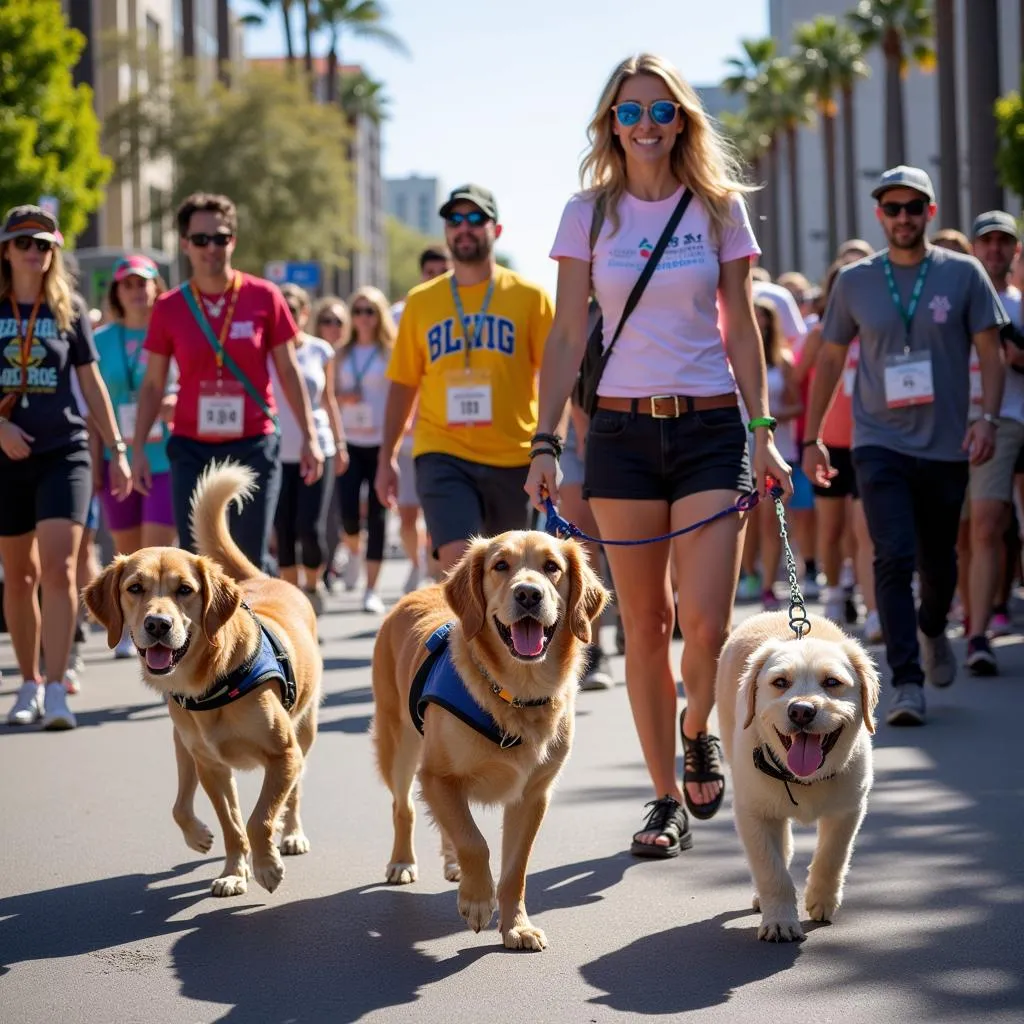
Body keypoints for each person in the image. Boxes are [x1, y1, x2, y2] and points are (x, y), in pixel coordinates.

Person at [525, 54, 791, 856]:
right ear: (611, 122)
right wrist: (546, 440)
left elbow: (740, 325)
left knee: (704, 622)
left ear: (683, 121)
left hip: (712, 428)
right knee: (646, 621)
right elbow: (569, 332)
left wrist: (763, 428)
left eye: (661, 111)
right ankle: (663, 797)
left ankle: (697, 725)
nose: (646, 125)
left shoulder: (717, 209)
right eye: (630, 112)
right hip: (619, 436)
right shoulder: (588, 215)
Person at [803, 166, 1007, 727]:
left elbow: (990, 351)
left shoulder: (963, 274)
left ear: (930, 213)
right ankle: (906, 681)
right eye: (891, 209)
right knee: (891, 554)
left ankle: (936, 625)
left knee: (938, 562)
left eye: (912, 208)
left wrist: (986, 417)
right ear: (879, 216)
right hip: (878, 440)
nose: (901, 218)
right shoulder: (856, 281)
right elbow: (828, 358)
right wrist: (814, 437)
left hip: (945, 444)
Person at [131, 193, 323, 571]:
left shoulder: (264, 296)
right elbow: (153, 384)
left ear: (232, 241)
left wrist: (310, 439)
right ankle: (205, 633)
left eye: (220, 238)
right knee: (195, 557)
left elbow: (288, 371)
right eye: (200, 239)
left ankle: (254, 630)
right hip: (191, 446)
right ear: (185, 244)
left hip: (253, 442)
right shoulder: (170, 306)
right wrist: (137, 447)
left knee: (248, 555)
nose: (211, 248)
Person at [375, 184, 554, 574]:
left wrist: (552, 447)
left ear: (497, 230)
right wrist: (386, 456)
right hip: (443, 451)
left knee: (509, 575)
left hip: (513, 455)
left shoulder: (530, 297)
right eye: (454, 220)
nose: (464, 228)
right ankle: (456, 638)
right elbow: (403, 383)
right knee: (459, 565)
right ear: (445, 232)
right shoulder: (421, 302)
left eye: (476, 218)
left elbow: (557, 377)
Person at [0, 204, 131, 730]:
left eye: (44, 245)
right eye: (24, 243)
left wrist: (117, 448)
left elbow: (92, 383)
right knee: (19, 575)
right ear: (6, 250)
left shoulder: (68, 308)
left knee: (57, 568)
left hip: (65, 449)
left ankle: (57, 689)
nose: (35, 252)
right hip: (6, 452)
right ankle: (27, 682)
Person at [91, 255, 177, 657]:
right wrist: (98, 458)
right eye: (128, 284)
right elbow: (92, 403)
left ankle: (156, 627)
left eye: (144, 283)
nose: (137, 291)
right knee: (127, 556)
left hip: (165, 458)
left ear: (156, 288)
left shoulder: (171, 333)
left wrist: (177, 399)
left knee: (154, 555)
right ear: (117, 292)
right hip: (118, 458)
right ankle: (129, 626)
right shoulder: (101, 340)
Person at [796, 260, 881, 642]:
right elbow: (797, 381)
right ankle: (833, 597)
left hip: (870, 441)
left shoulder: (876, 329)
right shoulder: (819, 334)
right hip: (829, 443)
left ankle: (874, 608)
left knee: (866, 530)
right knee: (831, 528)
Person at [962, 211, 1024, 674]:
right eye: (987, 242)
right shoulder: (953, 297)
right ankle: (965, 618)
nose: (995, 250)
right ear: (974, 248)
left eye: (1004, 242)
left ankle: (980, 635)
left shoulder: (1019, 306)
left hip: (1004, 422)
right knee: (957, 535)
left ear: (1014, 251)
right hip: (945, 425)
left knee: (987, 526)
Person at [271, 284, 348, 614]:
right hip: (276, 452)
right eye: (281, 308)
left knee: (310, 528)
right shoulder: (265, 351)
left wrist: (340, 444)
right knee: (284, 530)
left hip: (317, 450)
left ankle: (313, 586)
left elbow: (328, 399)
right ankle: (291, 601)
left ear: (304, 314)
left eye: (293, 308)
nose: (287, 314)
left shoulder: (320, 351)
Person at [336, 286, 396, 613]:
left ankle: (371, 589)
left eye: (370, 311)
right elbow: (327, 393)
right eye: (357, 311)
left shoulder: (390, 351)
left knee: (378, 515)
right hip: (348, 442)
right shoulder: (341, 354)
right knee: (347, 512)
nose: (363, 318)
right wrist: (343, 397)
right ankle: (353, 550)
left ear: (380, 315)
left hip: (380, 443)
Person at [753, 297, 802, 612]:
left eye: (762, 316)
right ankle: (747, 574)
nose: (757, 321)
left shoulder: (783, 360)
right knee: (743, 522)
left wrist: (774, 417)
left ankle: (768, 585)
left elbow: (799, 404)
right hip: (739, 449)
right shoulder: (726, 358)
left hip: (777, 447)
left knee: (771, 522)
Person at [390, 246, 451, 325]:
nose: (437, 278)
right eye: (430, 273)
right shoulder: (400, 314)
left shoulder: (463, 310)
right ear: (421, 275)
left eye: (444, 272)